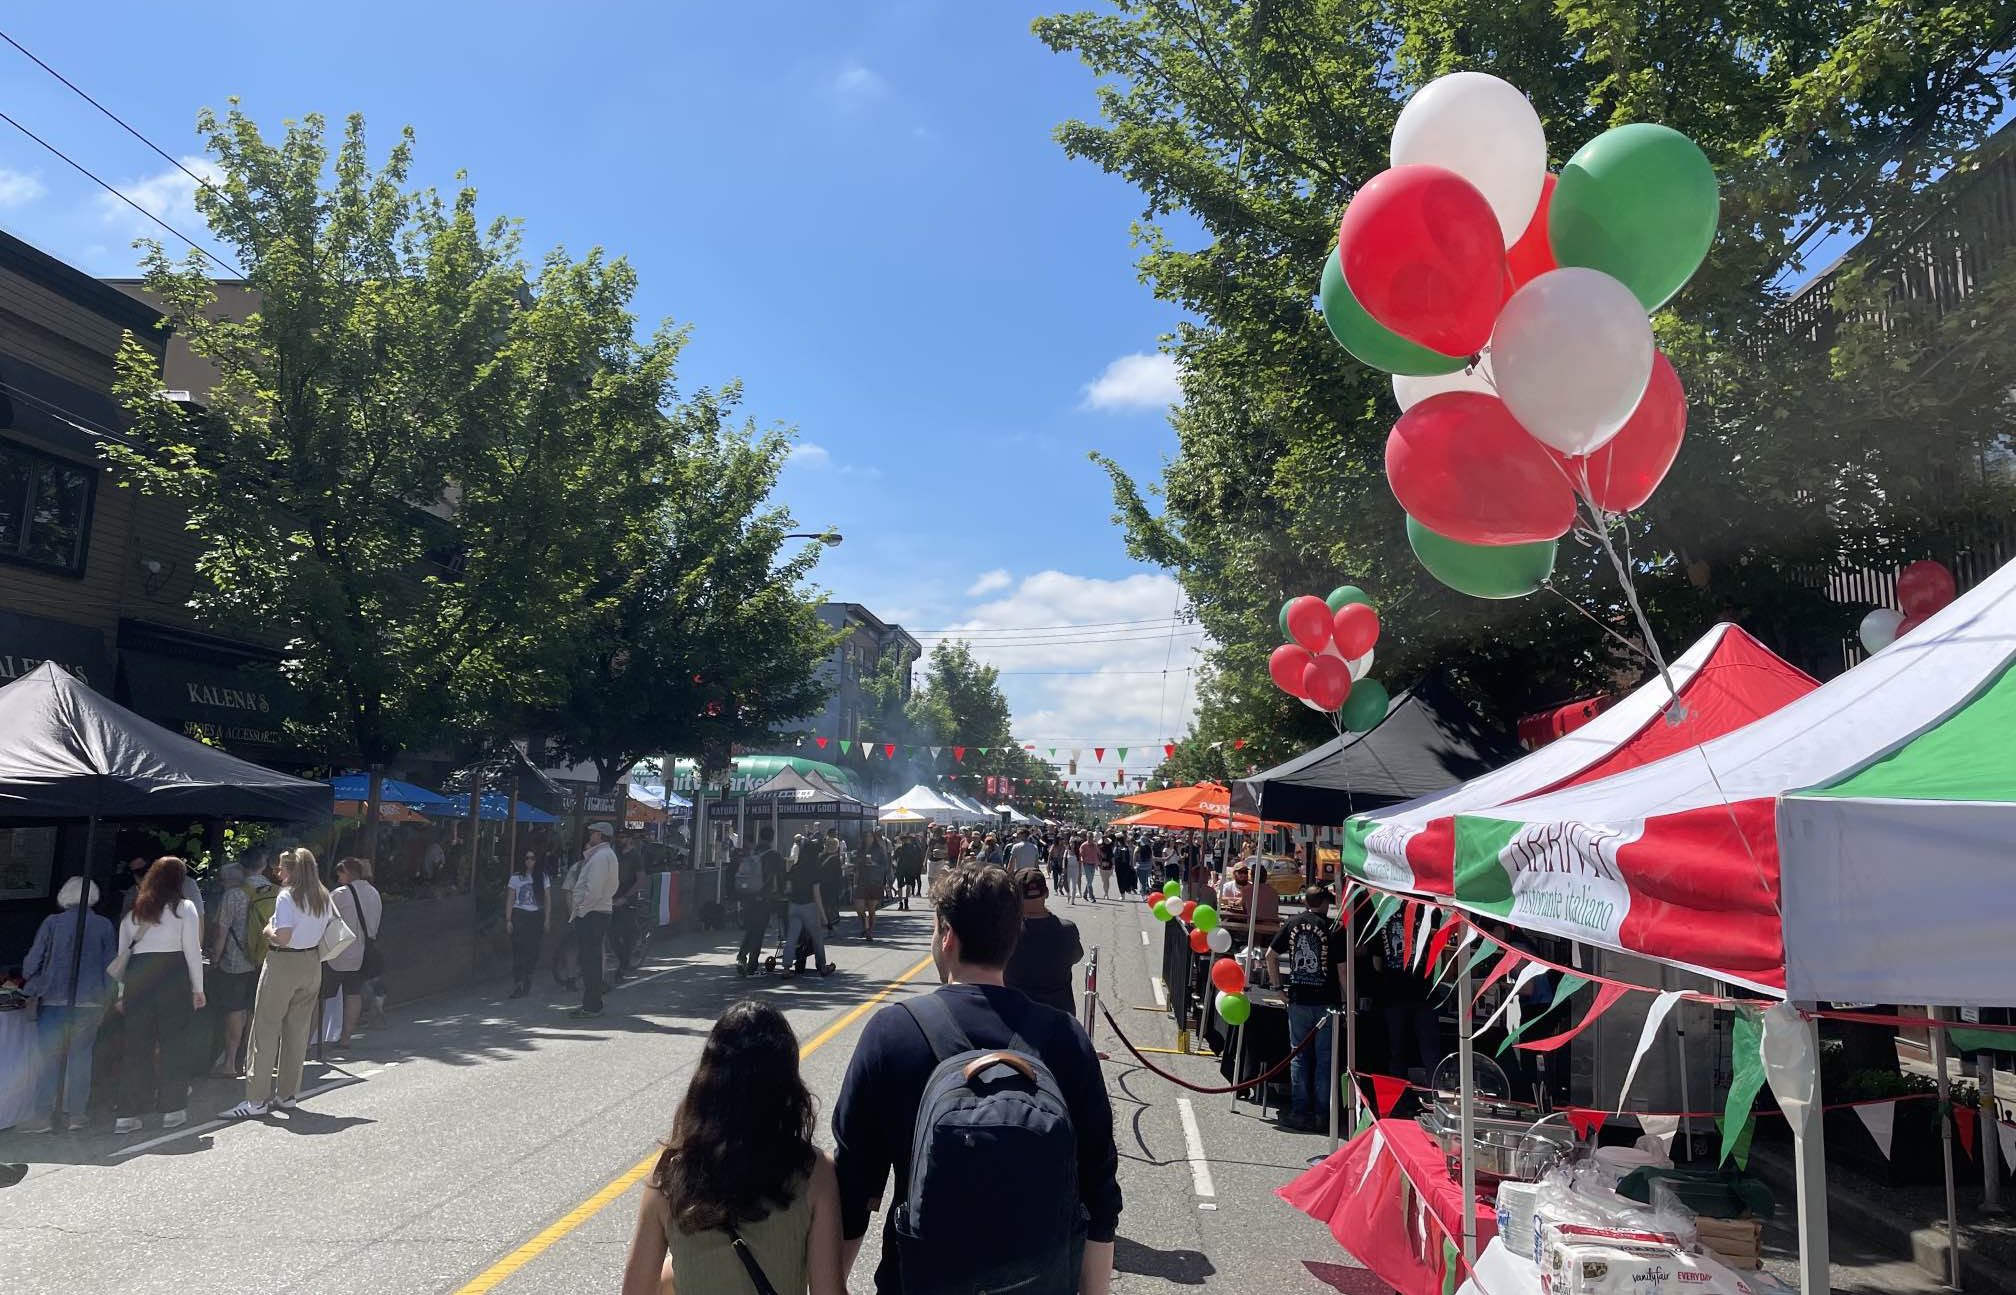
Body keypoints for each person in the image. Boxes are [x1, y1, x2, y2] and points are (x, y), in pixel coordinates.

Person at [832, 864, 1120, 1293]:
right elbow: (1098, 1194)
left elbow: (853, 1187)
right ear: (1013, 936)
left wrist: (832, 1284)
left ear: (947, 935)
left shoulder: (893, 1032)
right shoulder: (1064, 1038)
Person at [621, 1001, 846, 1295]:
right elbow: (827, 1291)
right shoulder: (815, 1174)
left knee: (667, 1277)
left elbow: (635, 1290)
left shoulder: (670, 1173)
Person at [224, 847, 332, 1119]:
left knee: (265, 1030)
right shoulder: (322, 896)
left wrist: (267, 930)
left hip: (283, 963)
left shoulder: (287, 897)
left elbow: (281, 937)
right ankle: (287, 1095)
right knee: (297, 1032)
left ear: (293, 870)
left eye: (282, 867)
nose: (277, 872)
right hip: (312, 963)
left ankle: (256, 1100)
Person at [108, 856, 207, 1134]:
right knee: (174, 1044)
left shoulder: (134, 911)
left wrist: (121, 993)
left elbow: (122, 955)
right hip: (172, 975)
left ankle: (127, 1114)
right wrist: (198, 988)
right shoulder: (184, 908)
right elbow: (192, 951)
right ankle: (172, 1110)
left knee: (136, 1047)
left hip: (139, 977)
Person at [19, 877, 115, 1131]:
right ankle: (77, 1115)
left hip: (53, 1000)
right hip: (91, 1003)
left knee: (49, 1059)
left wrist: (30, 979)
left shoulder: (52, 923)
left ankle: (42, 1116)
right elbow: (111, 967)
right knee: (81, 1059)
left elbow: (33, 961)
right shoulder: (104, 925)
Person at [1266, 887, 1350, 1132]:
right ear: (1324, 903)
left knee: (1299, 1057)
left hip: (1299, 998)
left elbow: (1271, 955)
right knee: (1325, 1059)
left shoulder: (1293, 923)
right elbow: (1342, 970)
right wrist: (1347, 1002)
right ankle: (1322, 1115)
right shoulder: (1334, 928)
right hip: (1327, 1001)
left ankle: (1300, 1112)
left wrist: (1276, 987)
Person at [207, 847, 277, 1078]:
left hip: (236, 961)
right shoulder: (277, 893)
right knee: (255, 1009)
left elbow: (221, 931)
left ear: (242, 867)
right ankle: (252, 1060)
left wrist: (215, 958)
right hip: (267, 960)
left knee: (235, 1010)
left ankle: (229, 1063)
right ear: (264, 865)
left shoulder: (234, 895)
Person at [1003, 868, 1084, 1017]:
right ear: (1046, 893)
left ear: (1016, 896)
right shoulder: (1068, 930)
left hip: (1016, 1017)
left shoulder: (1006, 931)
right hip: (1059, 1016)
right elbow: (1076, 957)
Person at [327, 857, 382, 1045]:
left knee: (322, 997)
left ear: (347, 873)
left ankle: (312, 1040)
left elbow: (326, 919)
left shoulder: (339, 894)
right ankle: (346, 1038)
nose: (338, 878)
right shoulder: (374, 893)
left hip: (337, 953)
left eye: (340, 874)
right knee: (353, 994)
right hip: (363, 952)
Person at [570, 822, 620, 1019]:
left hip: (592, 912)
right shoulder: (608, 855)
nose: (590, 835)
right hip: (600, 910)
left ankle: (591, 1005)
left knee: (590, 960)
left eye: (593, 833)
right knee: (593, 959)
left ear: (600, 835)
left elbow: (593, 890)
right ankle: (593, 1003)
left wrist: (581, 909)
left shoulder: (600, 857)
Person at [782, 836, 836, 978]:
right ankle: (822, 966)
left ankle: (786, 968)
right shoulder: (815, 870)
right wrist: (825, 918)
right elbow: (817, 895)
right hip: (809, 906)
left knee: (791, 937)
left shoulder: (795, 868)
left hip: (793, 905)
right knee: (817, 936)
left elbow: (788, 888)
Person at [737, 829, 788, 976]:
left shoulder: (752, 853)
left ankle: (742, 956)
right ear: (772, 839)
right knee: (759, 930)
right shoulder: (775, 856)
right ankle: (752, 962)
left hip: (748, 896)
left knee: (751, 928)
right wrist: (781, 893)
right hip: (764, 898)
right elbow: (781, 878)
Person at [506, 848, 546, 997]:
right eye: (527, 858)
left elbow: (547, 899)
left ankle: (528, 975)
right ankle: (518, 983)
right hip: (519, 914)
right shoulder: (516, 878)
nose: (529, 861)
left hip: (536, 915)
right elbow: (510, 898)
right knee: (518, 950)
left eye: (532, 858)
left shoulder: (542, 877)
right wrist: (508, 919)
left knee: (533, 950)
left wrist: (547, 919)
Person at [855, 831, 890, 940]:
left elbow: (885, 866)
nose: (868, 838)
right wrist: (859, 862)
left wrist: (875, 864)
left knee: (871, 908)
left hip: (875, 881)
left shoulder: (878, 850)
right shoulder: (861, 849)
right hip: (862, 880)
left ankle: (869, 931)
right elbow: (857, 863)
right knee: (859, 907)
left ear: (873, 837)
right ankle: (864, 926)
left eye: (870, 836)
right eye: (866, 836)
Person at [817, 832, 847, 935]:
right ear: (836, 847)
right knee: (831, 905)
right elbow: (838, 874)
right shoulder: (836, 859)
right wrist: (842, 887)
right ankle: (830, 924)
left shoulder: (820, 857)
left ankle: (824, 923)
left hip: (821, 885)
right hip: (832, 885)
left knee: (824, 904)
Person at [892, 833, 925, 910]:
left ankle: (904, 902)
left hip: (906, 869)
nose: (905, 840)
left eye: (906, 839)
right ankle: (902, 903)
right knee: (903, 886)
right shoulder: (902, 849)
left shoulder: (910, 848)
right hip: (904, 869)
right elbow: (894, 859)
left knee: (905, 886)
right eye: (904, 839)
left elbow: (894, 859)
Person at [1076, 834, 1101, 903]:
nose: (1090, 839)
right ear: (1086, 837)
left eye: (1091, 837)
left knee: (1090, 881)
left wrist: (1099, 862)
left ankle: (1084, 894)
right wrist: (1081, 860)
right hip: (1086, 864)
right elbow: (1080, 855)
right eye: (1089, 837)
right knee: (1089, 880)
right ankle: (1091, 897)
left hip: (1093, 864)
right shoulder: (1083, 845)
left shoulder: (1095, 845)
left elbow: (1098, 854)